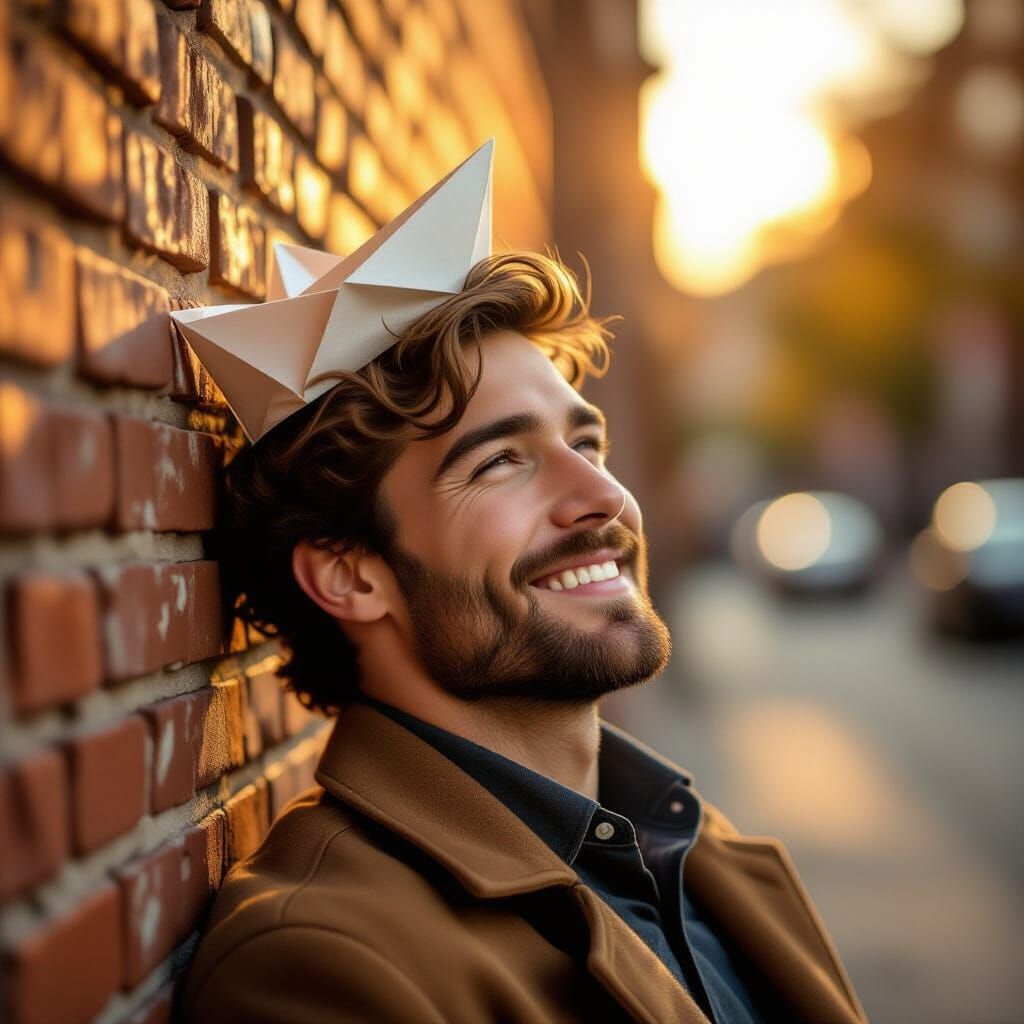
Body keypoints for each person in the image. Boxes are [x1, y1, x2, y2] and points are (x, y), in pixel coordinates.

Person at [176, 145, 866, 1024]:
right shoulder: (319, 961)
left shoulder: (690, 845)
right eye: (503, 461)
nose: (604, 498)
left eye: (585, 445)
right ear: (351, 575)